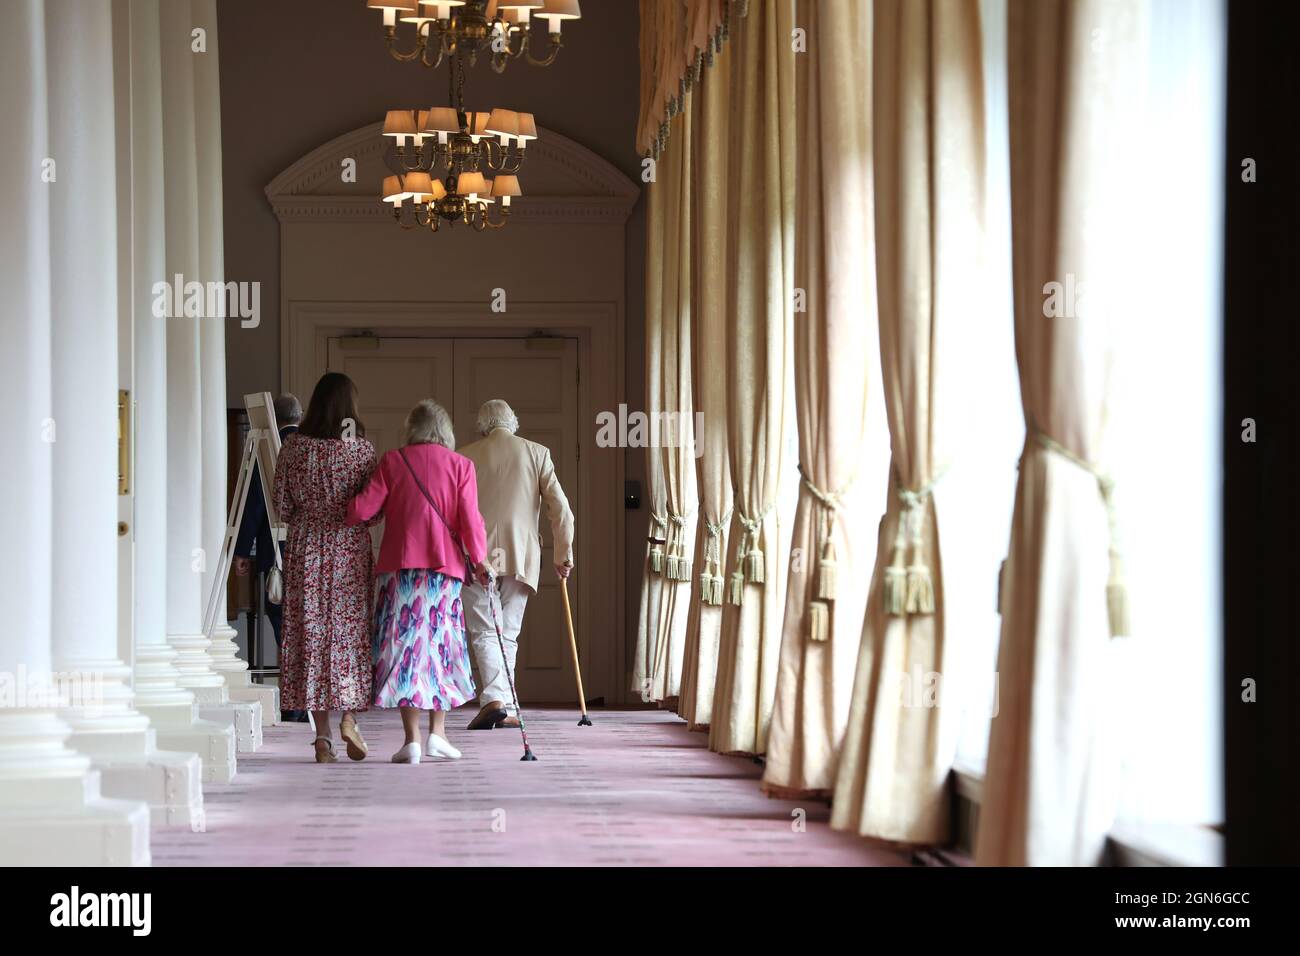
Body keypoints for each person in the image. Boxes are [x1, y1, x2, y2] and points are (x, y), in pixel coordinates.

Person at [347, 399, 493, 764]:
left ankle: (411, 739)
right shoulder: (461, 465)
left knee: (406, 648)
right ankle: (437, 735)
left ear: (410, 429)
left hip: (401, 571)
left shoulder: (393, 462)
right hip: (443, 573)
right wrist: (481, 560)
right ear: (445, 431)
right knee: (441, 647)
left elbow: (361, 510)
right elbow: (470, 520)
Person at [272, 372, 377, 764]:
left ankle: (322, 739)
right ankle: (350, 716)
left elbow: (281, 507)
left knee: (310, 637)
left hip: (306, 551)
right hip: (348, 548)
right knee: (350, 636)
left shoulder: (294, 448)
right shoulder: (361, 451)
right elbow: (374, 510)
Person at [460, 399, 574, 731]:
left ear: (482, 426)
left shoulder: (465, 455)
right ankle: (504, 704)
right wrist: (562, 556)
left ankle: (496, 701)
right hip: (521, 554)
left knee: (484, 629)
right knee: (507, 632)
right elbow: (561, 509)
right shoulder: (537, 453)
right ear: (514, 422)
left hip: (477, 554)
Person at [233, 392, 306, 722]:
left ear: (272, 420)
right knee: (306, 627)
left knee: (283, 626)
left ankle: (293, 702)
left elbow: (254, 506)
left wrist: (241, 550)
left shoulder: (267, 448)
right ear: (300, 416)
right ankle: (308, 699)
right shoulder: (310, 448)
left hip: (275, 552)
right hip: (310, 551)